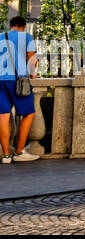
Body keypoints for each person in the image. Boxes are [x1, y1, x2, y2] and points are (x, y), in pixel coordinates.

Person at [0, 16, 38, 164]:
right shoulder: (26, 36)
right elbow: (31, 57)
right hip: (17, 81)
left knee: (3, 116)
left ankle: (6, 155)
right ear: (22, 26)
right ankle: (19, 151)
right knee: (29, 113)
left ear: (11, 26)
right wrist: (33, 73)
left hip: (0, 80)